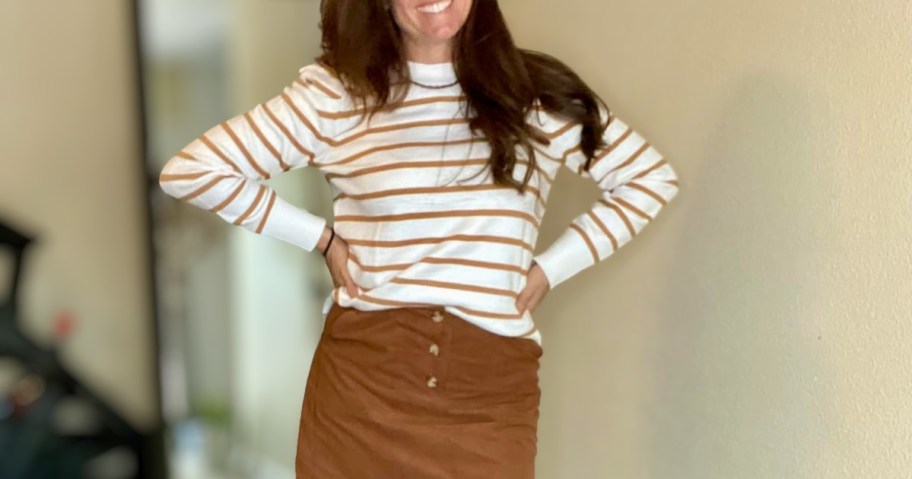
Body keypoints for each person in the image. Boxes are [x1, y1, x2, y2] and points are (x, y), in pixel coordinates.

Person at [159, 0, 680, 476]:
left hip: (488, 397)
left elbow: (649, 179)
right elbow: (192, 171)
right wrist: (320, 238)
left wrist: (551, 268)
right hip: (362, 392)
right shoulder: (336, 94)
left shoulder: (533, 95)